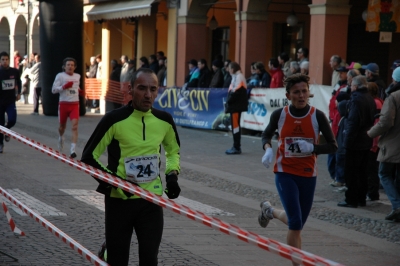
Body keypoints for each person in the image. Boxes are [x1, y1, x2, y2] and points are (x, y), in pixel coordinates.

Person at [81, 68, 181, 266]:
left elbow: (173, 151)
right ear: (130, 89)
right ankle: (108, 250)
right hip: (120, 202)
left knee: (149, 258)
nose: (148, 94)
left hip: (151, 201)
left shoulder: (164, 120)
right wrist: (116, 183)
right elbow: (88, 157)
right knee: (119, 259)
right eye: (142, 88)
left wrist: (172, 176)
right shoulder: (114, 119)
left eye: (153, 89)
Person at [258, 74, 337, 264]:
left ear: (309, 93)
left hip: (308, 175)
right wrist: (268, 149)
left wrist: (313, 148)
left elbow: (334, 146)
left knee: (298, 222)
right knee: (295, 223)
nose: (301, 96)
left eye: (304, 91)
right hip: (285, 173)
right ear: (288, 95)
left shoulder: (317, 116)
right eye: (296, 92)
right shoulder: (280, 115)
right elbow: (266, 135)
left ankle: (270, 211)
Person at [337, 75, 376, 208]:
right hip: (366, 138)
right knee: (362, 171)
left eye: (352, 84)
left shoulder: (356, 100)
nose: (350, 86)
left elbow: (352, 123)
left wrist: (347, 142)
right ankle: (361, 198)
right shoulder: (369, 98)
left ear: (355, 86)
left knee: (352, 172)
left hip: (356, 141)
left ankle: (351, 199)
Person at [367, 67, 400, 221]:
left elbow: (386, 121)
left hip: (393, 143)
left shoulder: (393, 96)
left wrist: (370, 133)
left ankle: (397, 205)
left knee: (384, 173)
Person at [51, 57, 83, 158]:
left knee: (74, 126)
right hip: (64, 104)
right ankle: (61, 137)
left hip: (74, 104)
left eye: (72, 65)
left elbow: (76, 87)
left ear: (75, 67)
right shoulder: (60, 76)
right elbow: (53, 90)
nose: (70, 67)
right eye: (68, 65)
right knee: (62, 127)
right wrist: (64, 87)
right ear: (64, 67)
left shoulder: (78, 76)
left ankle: (72, 150)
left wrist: (80, 91)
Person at [0, 51, 22, 153]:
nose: (5, 62)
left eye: (6, 59)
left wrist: (19, 93)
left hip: (10, 101)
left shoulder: (14, 71)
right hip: (0, 102)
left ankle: (7, 130)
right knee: (0, 123)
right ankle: (1, 144)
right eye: (3, 60)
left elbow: (19, 81)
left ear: (9, 60)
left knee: (12, 119)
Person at [224, 62, 248, 155]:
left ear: (233, 69)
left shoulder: (238, 77)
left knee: (236, 127)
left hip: (236, 106)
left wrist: (228, 101)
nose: (228, 70)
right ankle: (236, 146)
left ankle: (236, 147)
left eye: (229, 68)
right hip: (235, 106)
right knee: (235, 127)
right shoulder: (236, 77)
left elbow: (236, 92)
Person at [366, 82, 383, 201]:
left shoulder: (376, 102)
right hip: (375, 140)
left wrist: (374, 142)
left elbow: (377, 122)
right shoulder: (377, 101)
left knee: (372, 168)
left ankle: (373, 193)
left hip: (374, 141)